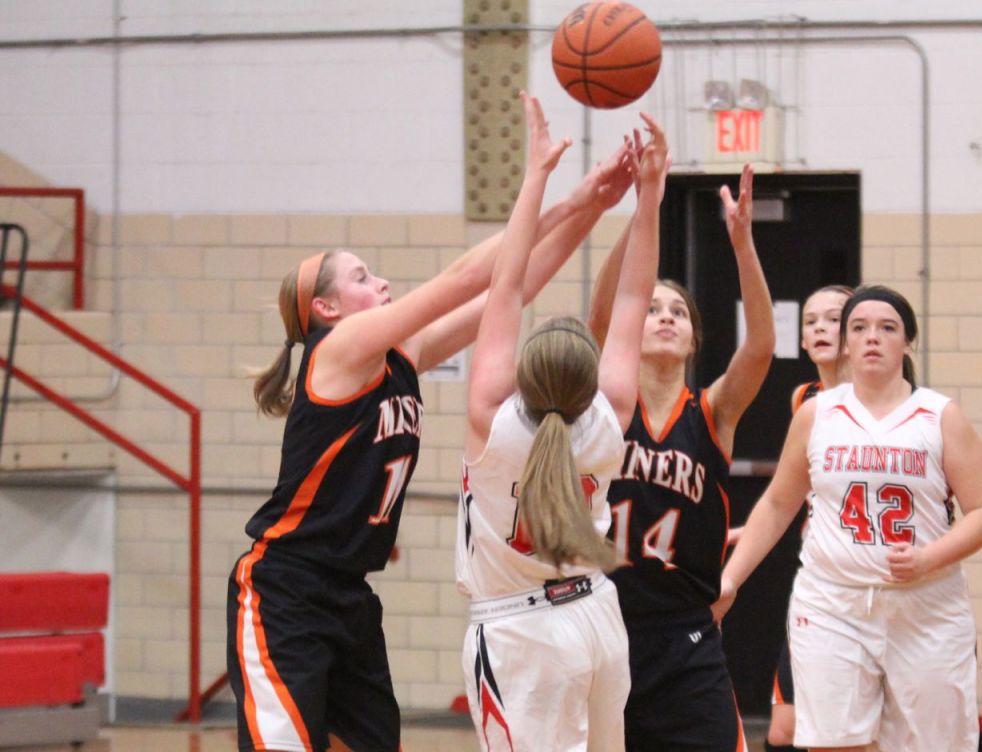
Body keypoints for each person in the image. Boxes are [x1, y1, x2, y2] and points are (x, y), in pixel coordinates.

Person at [226, 124, 637, 751]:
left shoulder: (400, 356)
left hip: (349, 595)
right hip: (285, 590)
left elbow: (513, 286)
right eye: (362, 278)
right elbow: (465, 279)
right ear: (327, 309)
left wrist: (594, 208)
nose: (381, 283)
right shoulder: (337, 352)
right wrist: (563, 195)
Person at [456, 94, 669, 752]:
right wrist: (649, 199)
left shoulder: (491, 414)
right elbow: (634, 295)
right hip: (597, 620)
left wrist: (535, 178)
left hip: (521, 636)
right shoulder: (613, 413)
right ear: (588, 378)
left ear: (525, 370)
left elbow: (507, 284)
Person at [716, 285, 982, 752]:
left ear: (907, 342)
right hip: (832, 603)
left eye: (887, 327)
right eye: (859, 327)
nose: (873, 337)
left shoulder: (939, 416)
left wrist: (929, 557)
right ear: (846, 342)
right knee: (833, 744)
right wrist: (731, 579)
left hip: (926, 606)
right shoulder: (815, 414)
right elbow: (776, 505)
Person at [589, 163, 775, 751]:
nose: (665, 316)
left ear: (694, 339)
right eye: (652, 308)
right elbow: (600, 313)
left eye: (678, 312)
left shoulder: (713, 411)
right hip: (601, 618)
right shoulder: (605, 401)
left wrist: (743, 245)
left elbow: (763, 345)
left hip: (683, 631)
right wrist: (645, 203)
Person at [765, 284, 853, 752]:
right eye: (812, 321)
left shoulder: (889, 401)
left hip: (876, 582)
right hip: (820, 582)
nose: (821, 328)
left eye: (833, 318)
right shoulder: (805, 398)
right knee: (783, 730)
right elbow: (793, 487)